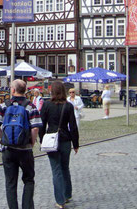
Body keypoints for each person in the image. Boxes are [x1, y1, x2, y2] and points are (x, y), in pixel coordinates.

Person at [0, 79, 42, 209]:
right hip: (25, 149)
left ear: (13, 90)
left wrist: (4, 139)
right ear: (25, 90)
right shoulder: (30, 106)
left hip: (8, 149)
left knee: (10, 183)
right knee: (29, 180)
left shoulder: (4, 105)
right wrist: (32, 141)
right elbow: (35, 128)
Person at [39, 81, 79, 209]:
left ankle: (60, 200)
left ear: (52, 91)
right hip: (65, 140)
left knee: (56, 170)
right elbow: (73, 126)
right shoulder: (68, 106)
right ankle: (67, 194)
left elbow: (41, 125)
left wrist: (41, 139)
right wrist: (76, 143)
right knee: (65, 167)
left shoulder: (46, 105)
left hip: (51, 140)